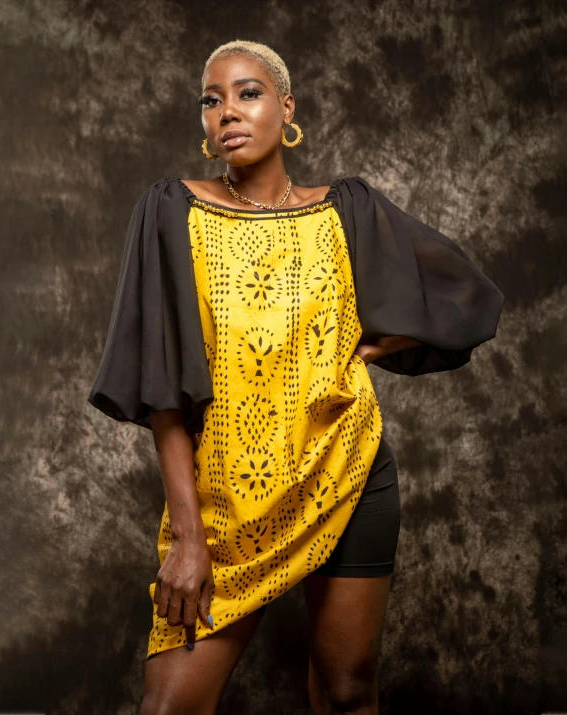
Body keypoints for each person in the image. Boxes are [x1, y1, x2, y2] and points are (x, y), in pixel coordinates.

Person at [87, 40, 504, 715]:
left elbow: (465, 294)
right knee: (171, 705)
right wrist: (190, 537)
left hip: (348, 471)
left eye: (247, 93)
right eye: (211, 99)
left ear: (286, 109)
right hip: (224, 504)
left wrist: (374, 346)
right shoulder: (172, 212)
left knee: (346, 689)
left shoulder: (346, 209)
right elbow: (163, 391)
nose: (228, 111)